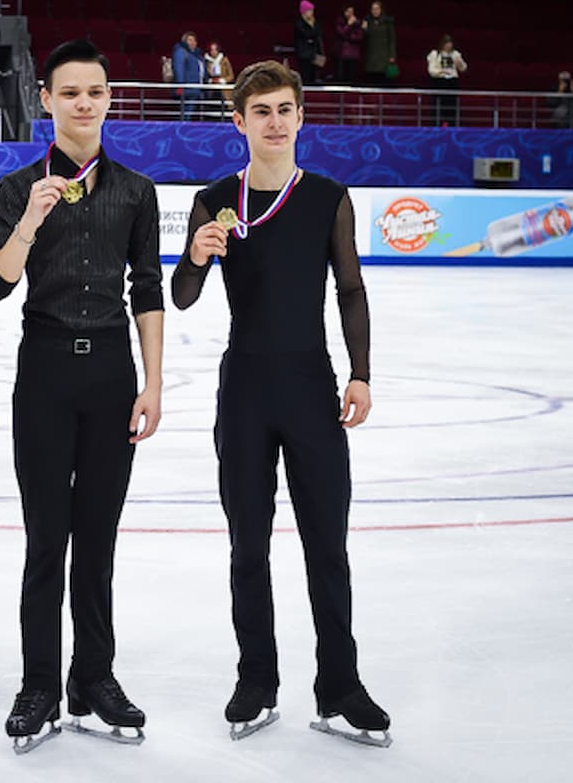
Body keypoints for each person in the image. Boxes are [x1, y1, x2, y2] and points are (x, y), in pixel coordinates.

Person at [171, 59, 390, 747]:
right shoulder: (215, 200)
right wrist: (198, 257)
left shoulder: (327, 196)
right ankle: (255, 679)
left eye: (283, 110)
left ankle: (340, 686)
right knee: (247, 547)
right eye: (258, 110)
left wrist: (358, 373)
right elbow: (178, 295)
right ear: (238, 122)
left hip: (310, 388)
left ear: (300, 117)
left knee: (327, 545)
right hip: (244, 391)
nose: (272, 121)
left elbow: (348, 290)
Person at [0, 39, 163, 751]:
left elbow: (147, 289)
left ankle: (93, 676)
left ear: (107, 100)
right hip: (46, 374)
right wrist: (29, 219)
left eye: (95, 92)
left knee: (97, 539)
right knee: (44, 540)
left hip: (112, 375)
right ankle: (38, 685)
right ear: (47, 101)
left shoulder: (135, 191)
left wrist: (152, 382)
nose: (83, 103)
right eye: (70, 93)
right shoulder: (17, 187)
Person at [426, 34, 467, 127]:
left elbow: (463, 69)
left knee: (452, 107)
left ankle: (452, 125)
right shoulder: (435, 54)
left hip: (452, 82)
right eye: (446, 43)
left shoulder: (456, 54)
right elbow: (431, 70)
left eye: (450, 43)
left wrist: (459, 62)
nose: (449, 45)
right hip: (439, 82)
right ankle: (437, 125)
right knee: (439, 106)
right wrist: (441, 71)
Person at [361, 0, 396, 87]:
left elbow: (392, 39)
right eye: (373, 9)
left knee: (383, 81)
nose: (375, 11)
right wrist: (364, 29)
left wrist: (392, 55)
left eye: (377, 9)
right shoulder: (367, 21)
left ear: (381, 10)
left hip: (384, 57)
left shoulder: (387, 22)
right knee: (371, 81)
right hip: (371, 57)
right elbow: (363, 38)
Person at [172, 30, 205, 121]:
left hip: (196, 89)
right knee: (185, 114)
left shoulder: (197, 55)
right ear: (184, 41)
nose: (193, 42)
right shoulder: (181, 52)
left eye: (194, 40)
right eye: (190, 40)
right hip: (187, 90)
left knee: (192, 114)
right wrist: (181, 85)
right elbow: (179, 69)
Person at [294, 0, 325, 85]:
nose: (312, 13)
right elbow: (308, 34)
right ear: (304, 11)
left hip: (314, 53)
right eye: (310, 10)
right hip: (304, 54)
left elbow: (318, 33)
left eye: (312, 10)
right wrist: (311, 28)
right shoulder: (299, 23)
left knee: (313, 76)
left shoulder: (315, 23)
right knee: (305, 75)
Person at [335, 5, 364, 85]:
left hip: (353, 54)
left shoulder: (358, 23)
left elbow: (359, 37)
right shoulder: (339, 22)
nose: (350, 14)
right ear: (344, 12)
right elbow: (341, 33)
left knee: (351, 78)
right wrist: (349, 25)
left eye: (352, 12)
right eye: (348, 12)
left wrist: (348, 36)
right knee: (341, 78)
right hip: (342, 54)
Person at [204, 40, 234, 112]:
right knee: (212, 110)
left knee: (224, 110)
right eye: (212, 50)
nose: (213, 52)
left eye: (215, 49)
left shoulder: (224, 60)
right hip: (212, 90)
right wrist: (211, 80)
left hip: (223, 90)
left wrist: (221, 80)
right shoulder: (206, 61)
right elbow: (204, 76)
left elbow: (231, 76)